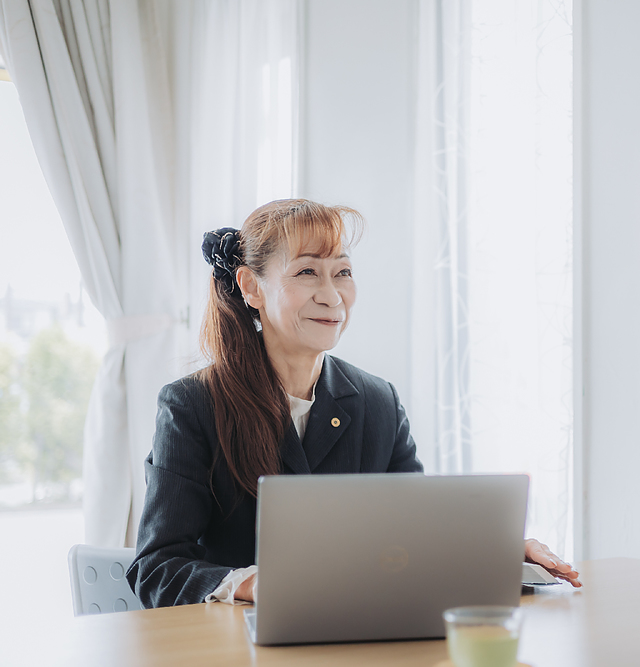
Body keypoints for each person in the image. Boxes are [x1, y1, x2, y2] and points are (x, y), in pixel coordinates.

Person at [127, 199, 581, 608]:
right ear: (251, 287)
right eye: (307, 272)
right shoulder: (193, 405)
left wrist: (499, 549)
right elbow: (157, 567)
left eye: (342, 272)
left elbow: (416, 534)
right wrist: (249, 583)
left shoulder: (377, 402)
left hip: (352, 639)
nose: (332, 295)